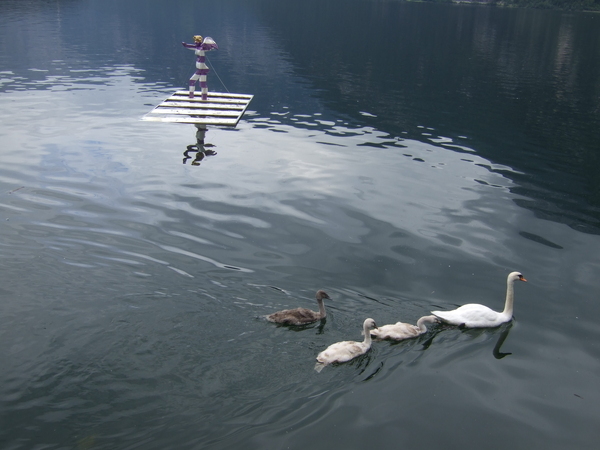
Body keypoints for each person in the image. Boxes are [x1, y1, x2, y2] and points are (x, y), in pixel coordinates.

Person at [182, 35, 218, 100]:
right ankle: (203, 97)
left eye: (197, 41)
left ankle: (192, 96)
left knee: (192, 80)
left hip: (202, 69)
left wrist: (204, 46)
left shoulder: (203, 47)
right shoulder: (197, 47)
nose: (195, 42)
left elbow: (207, 48)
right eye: (195, 41)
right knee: (202, 83)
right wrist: (185, 45)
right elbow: (191, 47)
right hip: (200, 68)